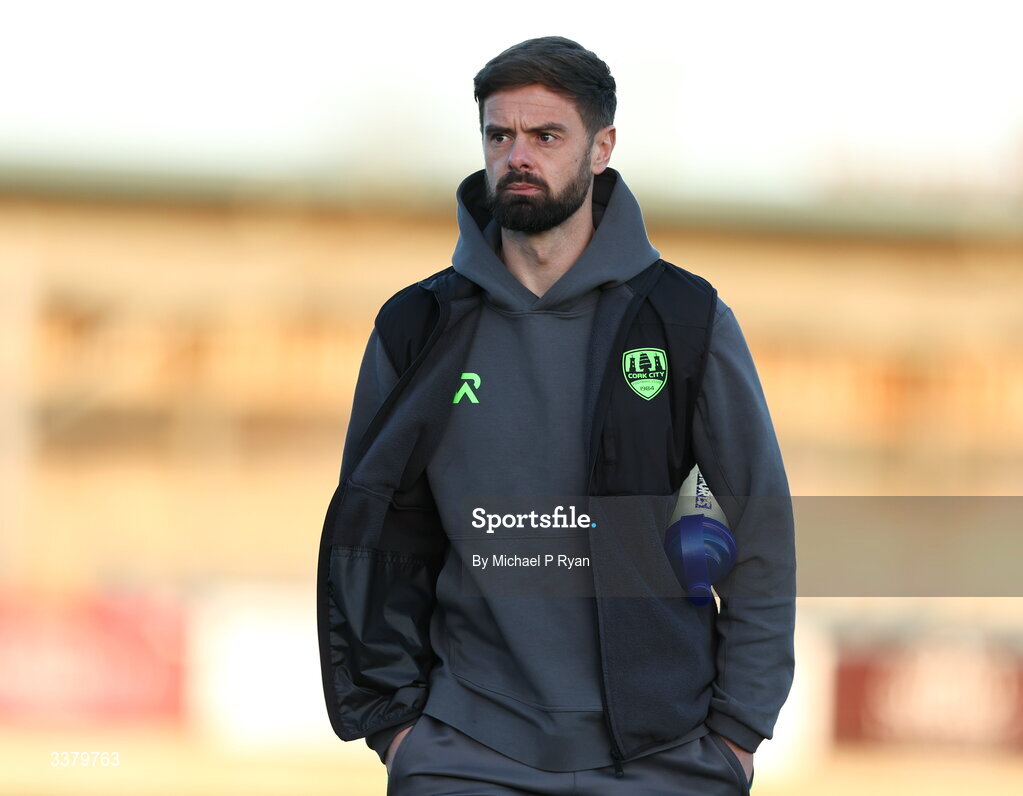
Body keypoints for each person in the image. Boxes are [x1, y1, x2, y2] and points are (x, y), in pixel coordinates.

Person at [316, 36, 796, 795]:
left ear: (600, 147)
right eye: (499, 135)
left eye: (546, 136)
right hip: (463, 750)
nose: (518, 155)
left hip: (661, 753)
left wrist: (737, 730)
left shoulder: (684, 318)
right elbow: (371, 531)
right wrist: (398, 728)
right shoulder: (417, 326)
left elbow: (758, 525)